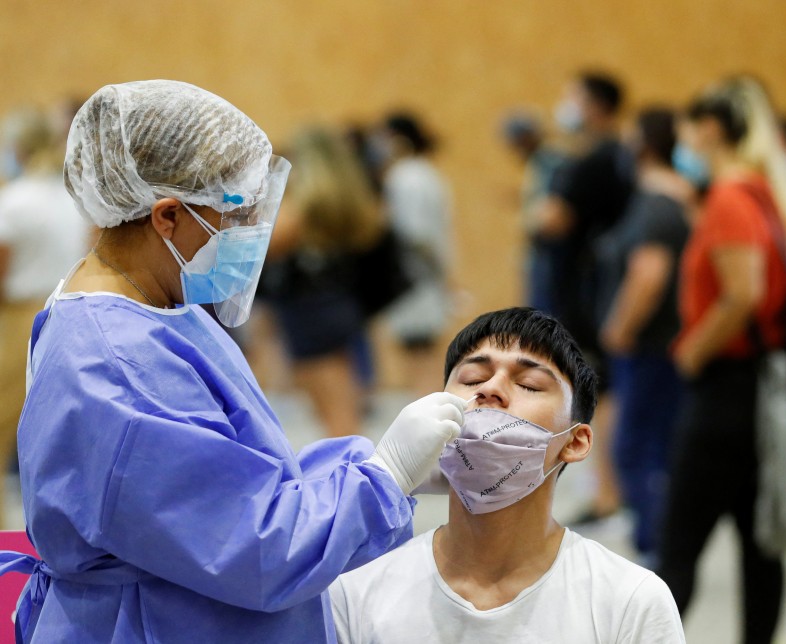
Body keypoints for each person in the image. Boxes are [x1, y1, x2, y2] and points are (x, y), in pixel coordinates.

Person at [0, 80, 467, 643]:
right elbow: (254, 545)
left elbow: (238, 468)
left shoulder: (157, 305)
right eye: (235, 212)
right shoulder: (118, 364)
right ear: (167, 216)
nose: (250, 233)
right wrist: (383, 479)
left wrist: (380, 467)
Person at [329, 307, 686, 643]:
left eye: (529, 384)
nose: (490, 389)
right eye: (472, 378)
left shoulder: (630, 601)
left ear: (575, 442)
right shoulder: (355, 590)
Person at [659, 76, 786, 644]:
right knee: (758, 542)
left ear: (711, 129)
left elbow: (743, 293)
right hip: (752, 389)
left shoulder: (730, 197)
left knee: (677, 547)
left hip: (726, 390)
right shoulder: (763, 192)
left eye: (688, 129)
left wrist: (691, 353)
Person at [537, 70, 636, 523]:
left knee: (599, 391)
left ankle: (609, 494)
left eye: (574, 97)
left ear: (595, 105)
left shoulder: (592, 161)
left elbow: (552, 219)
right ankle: (613, 490)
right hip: (604, 289)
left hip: (588, 294)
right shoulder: (623, 155)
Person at [596, 106, 691, 563]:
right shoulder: (670, 200)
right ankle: (661, 540)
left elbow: (649, 275)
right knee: (656, 444)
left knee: (636, 447)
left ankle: (655, 545)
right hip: (661, 348)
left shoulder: (657, 205)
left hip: (651, 348)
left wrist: (620, 326)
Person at [263, 126, 387, 437]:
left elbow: (266, 244)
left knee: (334, 409)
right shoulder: (340, 201)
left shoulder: (303, 206)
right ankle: (349, 457)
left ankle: (350, 462)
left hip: (312, 311)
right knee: (339, 403)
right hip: (334, 304)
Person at [0, 107, 89, 527]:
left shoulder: (14, 202)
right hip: (67, 310)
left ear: (18, 148)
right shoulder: (69, 199)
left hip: (19, 318)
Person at [377, 112, 454, 398]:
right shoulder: (425, 173)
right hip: (423, 274)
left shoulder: (406, 177)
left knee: (419, 348)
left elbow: (416, 233)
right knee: (420, 346)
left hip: (414, 275)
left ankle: (429, 405)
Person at [500, 110, 568, 315]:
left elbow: (551, 208)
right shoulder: (538, 163)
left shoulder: (550, 162)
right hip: (539, 253)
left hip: (550, 253)